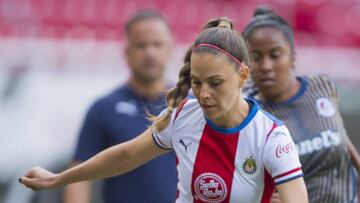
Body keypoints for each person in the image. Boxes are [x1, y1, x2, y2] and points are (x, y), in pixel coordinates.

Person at [19, 17, 308, 203]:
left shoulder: (272, 137)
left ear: (242, 76)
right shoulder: (183, 115)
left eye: (215, 83)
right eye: (197, 82)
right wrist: (58, 178)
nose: (204, 93)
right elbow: (128, 153)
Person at [243, 6, 360, 203]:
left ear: (293, 56)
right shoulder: (249, 115)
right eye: (256, 57)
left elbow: (341, 139)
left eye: (275, 54)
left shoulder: (321, 86)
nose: (265, 66)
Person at [63, 10, 178, 203]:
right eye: (141, 45)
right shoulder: (103, 108)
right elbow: (77, 176)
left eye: (157, 44)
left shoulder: (188, 105)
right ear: (127, 52)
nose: (150, 53)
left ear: (169, 48)